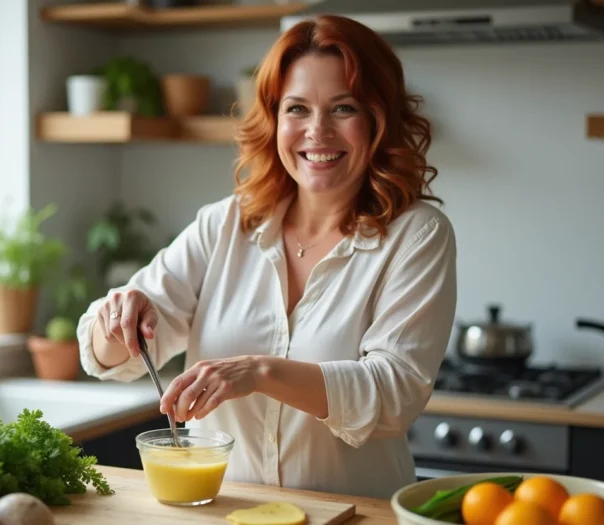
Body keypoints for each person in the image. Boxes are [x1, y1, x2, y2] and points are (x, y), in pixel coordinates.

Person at [77, 14, 457, 500]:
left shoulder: (418, 235)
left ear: (379, 121)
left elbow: (392, 396)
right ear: (274, 120)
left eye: (343, 108)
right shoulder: (225, 224)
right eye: (297, 109)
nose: (317, 131)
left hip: (353, 515)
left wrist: (260, 373)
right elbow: (107, 356)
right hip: (222, 512)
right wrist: (117, 319)